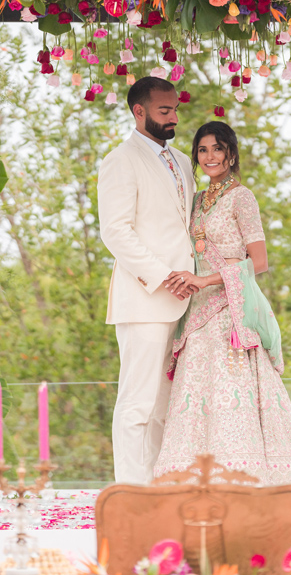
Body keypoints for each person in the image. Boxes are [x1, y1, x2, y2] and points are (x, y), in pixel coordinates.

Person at [153, 121, 291, 518]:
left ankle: (245, 491)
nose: (210, 157)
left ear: (231, 154)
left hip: (231, 313)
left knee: (233, 398)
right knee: (196, 398)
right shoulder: (197, 199)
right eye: (202, 150)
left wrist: (205, 278)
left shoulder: (242, 198)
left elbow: (260, 262)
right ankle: (193, 493)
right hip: (198, 312)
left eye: (218, 149)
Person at [97, 77, 197, 485]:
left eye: (174, 109)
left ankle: (158, 487)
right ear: (139, 112)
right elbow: (116, 232)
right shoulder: (120, 160)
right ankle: (132, 495)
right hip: (144, 297)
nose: (173, 117)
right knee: (137, 402)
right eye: (164, 111)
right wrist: (163, 276)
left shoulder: (183, 162)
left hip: (186, 300)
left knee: (162, 406)